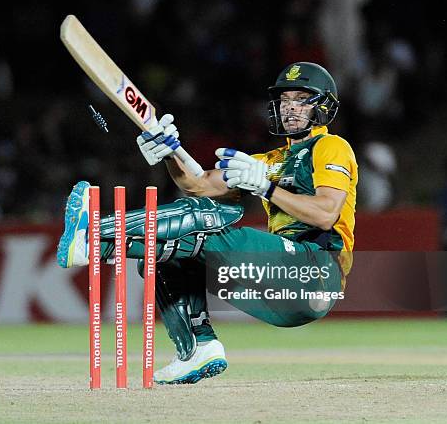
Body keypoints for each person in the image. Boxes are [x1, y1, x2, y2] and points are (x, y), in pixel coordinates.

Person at [57, 62, 357, 384]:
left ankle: (93, 238)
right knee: (166, 254)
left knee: (208, 217)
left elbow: (326, 213)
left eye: (301, 98)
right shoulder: (266, 161)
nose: (290, 107)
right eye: (285, 100)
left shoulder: (331, 147)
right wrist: (169, 152)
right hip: (278, 291)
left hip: (315, 273)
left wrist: (266, 188)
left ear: (323, 106)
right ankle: (198, 347)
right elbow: (198, 183)